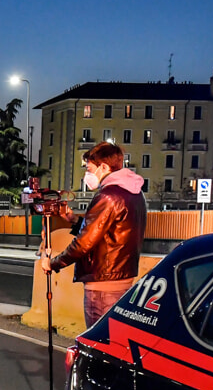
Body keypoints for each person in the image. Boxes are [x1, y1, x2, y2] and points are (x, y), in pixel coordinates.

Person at [41, 141, 147, 328]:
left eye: (89, 169)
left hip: (102, 286)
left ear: (104, 167)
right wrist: (75, 221)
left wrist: (52, 263)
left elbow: (84, 243)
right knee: (114, 342)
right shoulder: (134, 194)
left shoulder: (107, 196)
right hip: (122, 279)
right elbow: (109, 234)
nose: (86, 175)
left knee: (98, 345)